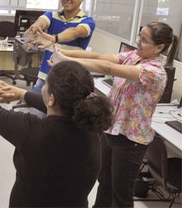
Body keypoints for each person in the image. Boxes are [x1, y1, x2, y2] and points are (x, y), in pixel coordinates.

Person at [49, 22, 179, 207]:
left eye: (144, 40)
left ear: (159, 47)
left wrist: (66, 62)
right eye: (139, 36)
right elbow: (100, 57)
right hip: (112, 130)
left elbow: (108, 69)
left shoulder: (155, 72)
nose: (137, 42)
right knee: (105, 183)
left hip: (131, 140)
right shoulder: (134, 57)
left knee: (121, 196)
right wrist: (61, 51)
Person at [0, 61, 114, 207]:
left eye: (45, 85)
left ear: (52, 98)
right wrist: (22, 94)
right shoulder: (93, 126)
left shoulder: (33, 130)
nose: (43, 87)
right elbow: (65, 105)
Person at [23, 0, 95, 117]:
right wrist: (36, 28)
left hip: (68, 84)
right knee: (35, 119)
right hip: (45, 79)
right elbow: (42, 21)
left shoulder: (87, 22)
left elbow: (75, 31)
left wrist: (54, 38)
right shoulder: (52, 15)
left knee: (60, 126)